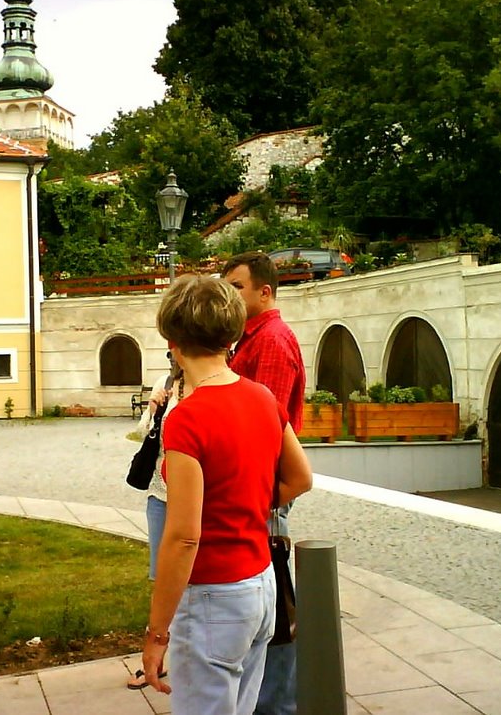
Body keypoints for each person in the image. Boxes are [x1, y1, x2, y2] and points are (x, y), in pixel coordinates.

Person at [141, 275, 313, 715]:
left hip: (212, 595)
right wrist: (246, 502)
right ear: (232, 334)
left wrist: (157, 633)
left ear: (172, 339)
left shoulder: (188, 419)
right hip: (260, 585)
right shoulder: (261, 398)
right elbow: (300, 478)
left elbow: (183, 537)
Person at [222, 251, 306, 715]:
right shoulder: (248, 338)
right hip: (258, 487)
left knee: (273, 600)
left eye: (236, 287)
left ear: (264, 291)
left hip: (266, 489)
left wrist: (252, 492)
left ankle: (276, 703)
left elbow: (265, 429)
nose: (230, 295)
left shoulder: (271, 340)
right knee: (264, 595)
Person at [126, 352, 191, 690]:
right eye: (170, 354)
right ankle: (157, 660)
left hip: (193, 496)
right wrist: (153, 410)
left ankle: (187, 655)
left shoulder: (204, 388)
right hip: (160, 494)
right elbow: (142, 436)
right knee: (160, 575)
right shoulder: (164, 385)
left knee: (193, 579)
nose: (174, 359)